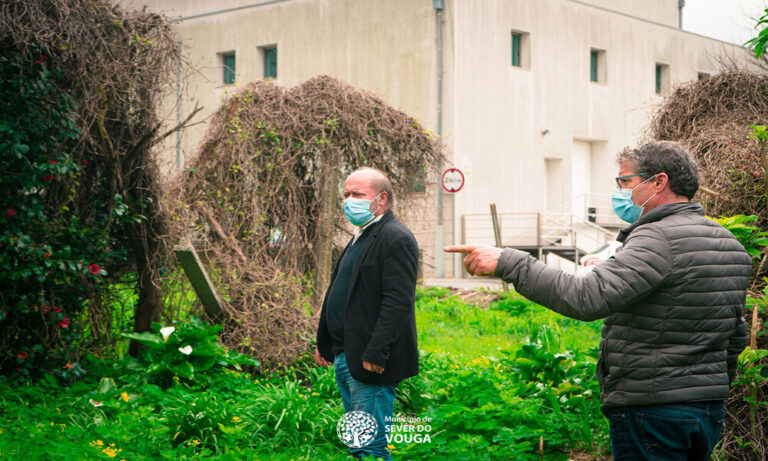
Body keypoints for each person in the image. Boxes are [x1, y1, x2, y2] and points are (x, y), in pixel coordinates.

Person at [445, 141, 751, 460]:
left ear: (659, 181)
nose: (619, 191)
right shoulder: (728, 244)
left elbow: (587, 297)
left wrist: (509, 262)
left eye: (625, 181)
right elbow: (735, 335)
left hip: (653, 410)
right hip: (707, 410)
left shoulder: (657, 238)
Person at [315, 167, 419, 461]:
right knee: (358, 442)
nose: (349, 201)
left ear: (381, 199)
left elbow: (397, 303)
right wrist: (325, 342)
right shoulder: (361, 235)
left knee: (368, 447)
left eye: (357, 195)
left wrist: (376, 352)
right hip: (345, 354)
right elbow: (342, 290)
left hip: (368, 360)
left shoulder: (395, 237)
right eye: (346, 194)